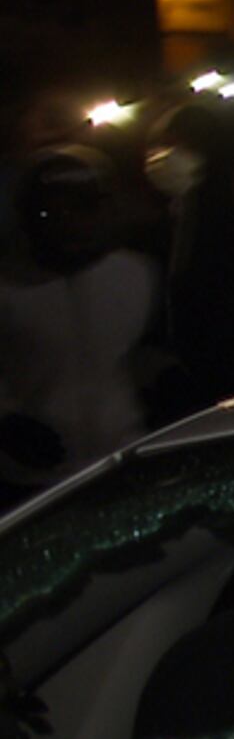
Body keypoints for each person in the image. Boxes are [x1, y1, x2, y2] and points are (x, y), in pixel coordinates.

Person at [0, 146, 161, 497]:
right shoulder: (7, 288)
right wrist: (7, 424)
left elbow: (147, 354)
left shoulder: (135, 273)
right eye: (51, 212)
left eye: (84, 207)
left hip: (125, 460)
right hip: (34, 479)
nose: (70, 222)